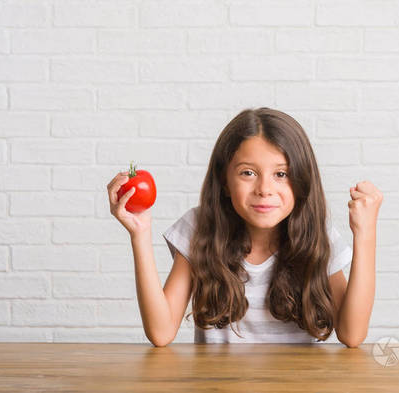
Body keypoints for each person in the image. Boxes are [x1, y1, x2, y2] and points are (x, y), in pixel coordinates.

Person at [107, 107, 383, 347]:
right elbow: (161, 331)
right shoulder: (199, 228)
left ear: (300, 181)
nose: (265, 189)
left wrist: (366, 234)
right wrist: (140, 234)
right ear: (224, 181)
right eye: (248, 173)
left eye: (281, 174)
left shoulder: (316, 234)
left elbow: (352, 334)